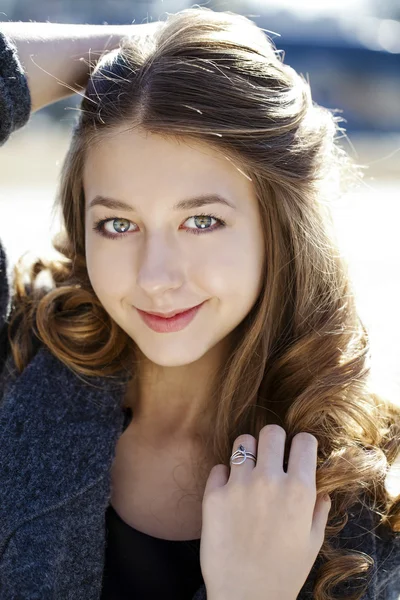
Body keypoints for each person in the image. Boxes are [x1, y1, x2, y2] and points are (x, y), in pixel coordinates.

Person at [0, 8, 399, 600]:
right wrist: (141, 54)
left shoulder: (364, 502)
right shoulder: (16, 370)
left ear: (279, 226)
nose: (156, 277)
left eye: (202, 220)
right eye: (116, 223)